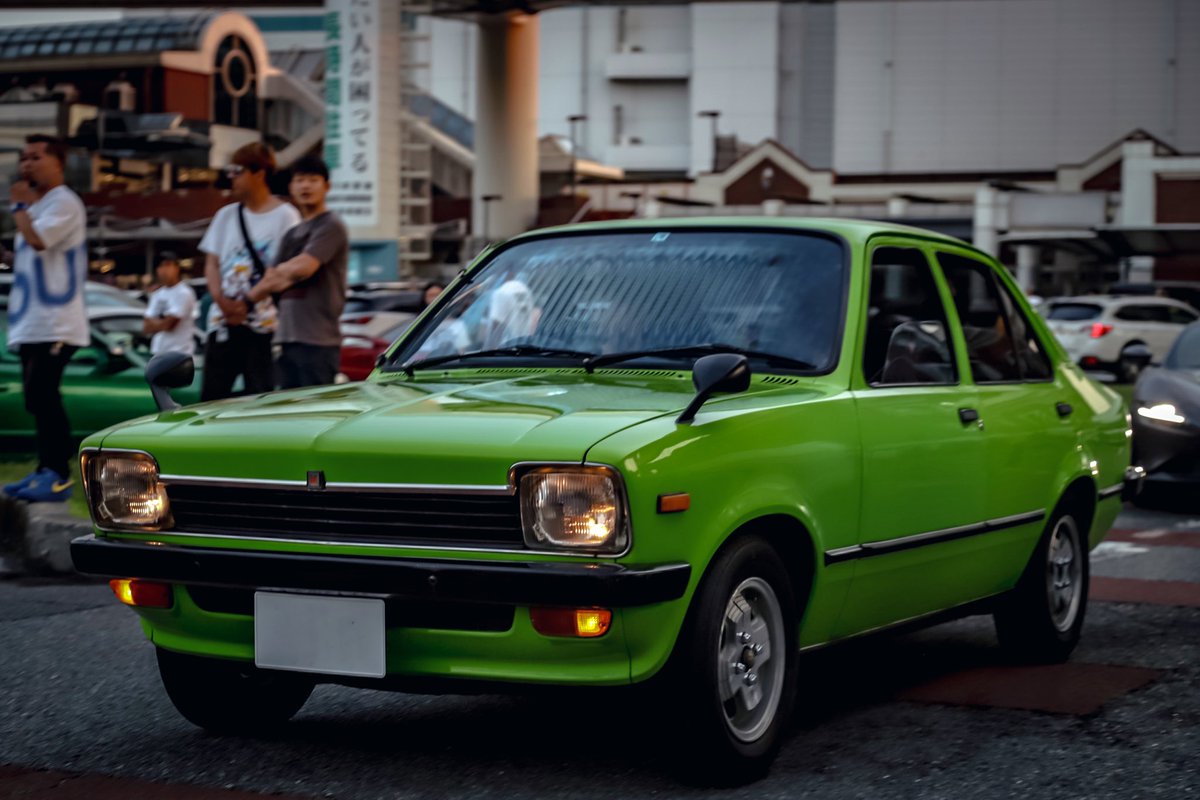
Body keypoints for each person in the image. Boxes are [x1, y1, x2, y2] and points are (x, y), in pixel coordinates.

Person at [2, 135, 88, 503]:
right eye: (24, 158)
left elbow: (39, 242)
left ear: (58, 163)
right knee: (36, 399)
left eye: (36, 157)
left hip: (56, 322)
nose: (27, 164)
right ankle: (44, 469)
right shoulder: (38, 208)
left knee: (45, 395)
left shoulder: (63, 202)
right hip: (32, 322)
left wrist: (20, 205)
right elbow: (27, 255)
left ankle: (58, 475)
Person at [198, 142, 300, 400]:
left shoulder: (286, 216)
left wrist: (246, 303)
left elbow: (286, 271)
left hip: (264, 324)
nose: (231, 177)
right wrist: (220, 300)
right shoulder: (226, 215)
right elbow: (211, 263)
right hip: (222, 321)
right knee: (212, 399)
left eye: (237, 171)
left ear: (259, 174)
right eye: (230, 171)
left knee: (260, 399)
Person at [245, 155, 348, 389]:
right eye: (300, 180)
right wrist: (284, 275)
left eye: (313, 180)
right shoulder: (292, 234)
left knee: (315, 409)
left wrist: (283, 275)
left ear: (327, 186)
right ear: (291, 187)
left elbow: (305, 267)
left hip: (318, 342)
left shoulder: (331, 225)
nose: (305, 186)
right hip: (286, 339)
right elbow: (270, 278)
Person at [142, 251, 196, 356]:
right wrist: (162, 322)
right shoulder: (157, 294)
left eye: (168, 265)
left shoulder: (184, 292)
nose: (164, 270)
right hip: (158, 353)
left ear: (176, 268)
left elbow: (169, 325)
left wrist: (156, 322)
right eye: (161, 266)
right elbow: (146, 326)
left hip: (179, 353)